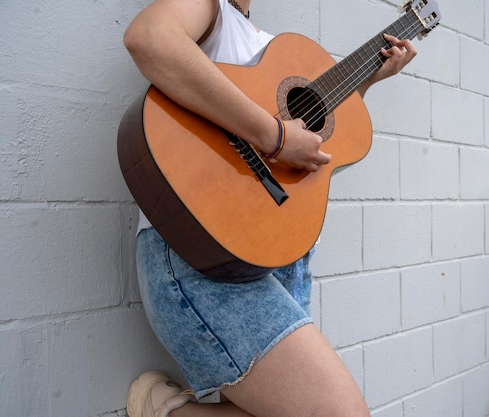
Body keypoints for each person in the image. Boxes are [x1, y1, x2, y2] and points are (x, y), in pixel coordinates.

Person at [122, 1, 416, 416]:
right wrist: (274, 136)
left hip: (271, 257)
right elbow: (149, 38)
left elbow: (312, 137)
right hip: (199, 252)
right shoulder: (213, 9)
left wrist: (366, 82)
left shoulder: (274, 45)